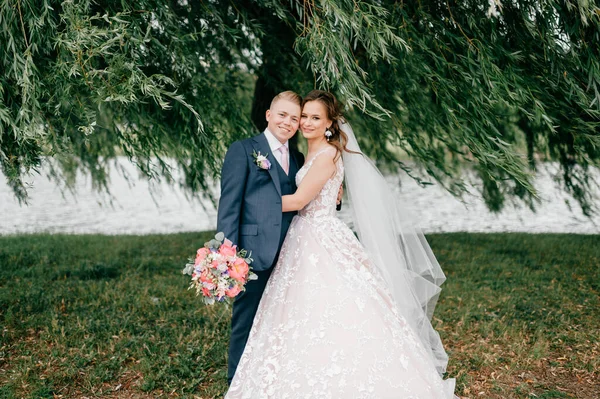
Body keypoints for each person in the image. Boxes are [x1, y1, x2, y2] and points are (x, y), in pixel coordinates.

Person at [225, 90, 459, 398]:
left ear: (330, 123)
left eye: (313, 118)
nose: (305, 123)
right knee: (296, 308)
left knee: (330, 305)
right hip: (303, 233)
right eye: (302, 117)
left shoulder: (326, 156)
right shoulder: (301, 154)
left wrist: (248, 203)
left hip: (317, 235)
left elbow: (297, 199)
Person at [216, 91, 305, 385]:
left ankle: (271, 376)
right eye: (282, 115)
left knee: (282, 317)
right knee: (246, 318)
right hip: (252, 252)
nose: (287, 122)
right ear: (268, 115)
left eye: (294, 118)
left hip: (292, 251)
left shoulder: (298, 156)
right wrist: (228, 256)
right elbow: (229, 206)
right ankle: (236, 381)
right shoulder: (242, 150)